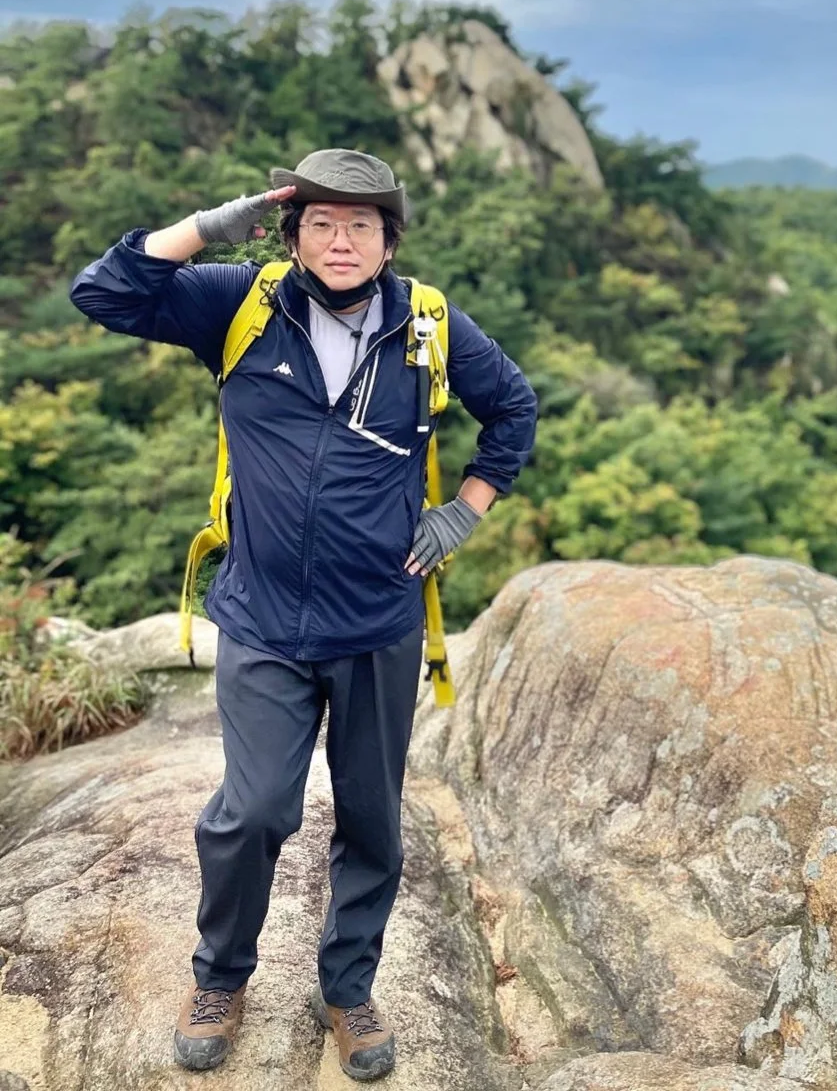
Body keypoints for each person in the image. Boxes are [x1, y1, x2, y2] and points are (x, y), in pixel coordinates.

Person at [69, 149, 538, 1081]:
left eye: (362, 225)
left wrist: (466, 510)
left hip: (377, 623)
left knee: (371, 820)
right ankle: (219, 978)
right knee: (250, 812)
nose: (341, 240)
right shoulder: (241, 303)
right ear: (290, 234)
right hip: (265, 620)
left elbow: (513, 409)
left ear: (389, 242)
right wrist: (211, 227)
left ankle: (348, 989)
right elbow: (105, 292)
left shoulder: (428, 326)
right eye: (320, 222)